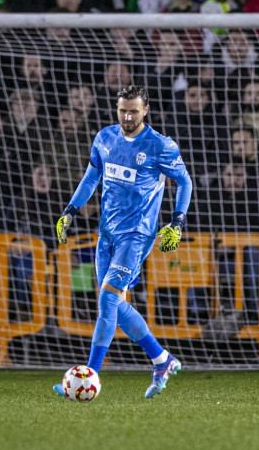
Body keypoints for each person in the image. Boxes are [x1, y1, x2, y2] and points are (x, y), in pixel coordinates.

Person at [53, 84, 192, 399]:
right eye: (123, 110)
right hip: (107, 233)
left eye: (134, 110)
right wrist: (69, 212)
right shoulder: (105, 138)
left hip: (137, 235)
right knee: (116, 304)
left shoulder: (160, 146)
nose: (128, 116)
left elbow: (185, 181)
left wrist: (177, 222)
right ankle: (161, 359)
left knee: (107, 301)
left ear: (146, 110)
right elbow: (91, 178)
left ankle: (88, 376)